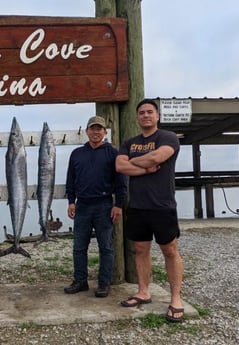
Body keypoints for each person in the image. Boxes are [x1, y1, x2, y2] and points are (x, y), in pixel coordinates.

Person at [115, 99, 185, 323]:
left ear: (157, 116)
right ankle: (143, 291)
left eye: (149, 112)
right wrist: (145, 169)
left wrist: (134, 163)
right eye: (142, 113)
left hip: (162, 205)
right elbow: (119, 167)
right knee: (140, 249)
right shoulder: (129, 142)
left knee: (170, 251)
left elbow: (157, 157)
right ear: (137, 118)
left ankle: (176, 298)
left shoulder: (167, 137)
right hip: (137, 206)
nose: (145, 115)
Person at [64, 115, 127, 298]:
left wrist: (118, 205)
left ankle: (104, 283)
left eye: (99, 129)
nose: (96, 132)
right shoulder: (77, 153)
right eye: (93, 128)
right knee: (79, 247)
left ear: (105, 132)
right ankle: (80, 280)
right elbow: (71, 180)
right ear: (87, 131)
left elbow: (121, 181)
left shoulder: (112, 153)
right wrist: (70, 201)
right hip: (82, 205)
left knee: (106, 247)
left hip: (104, 205)